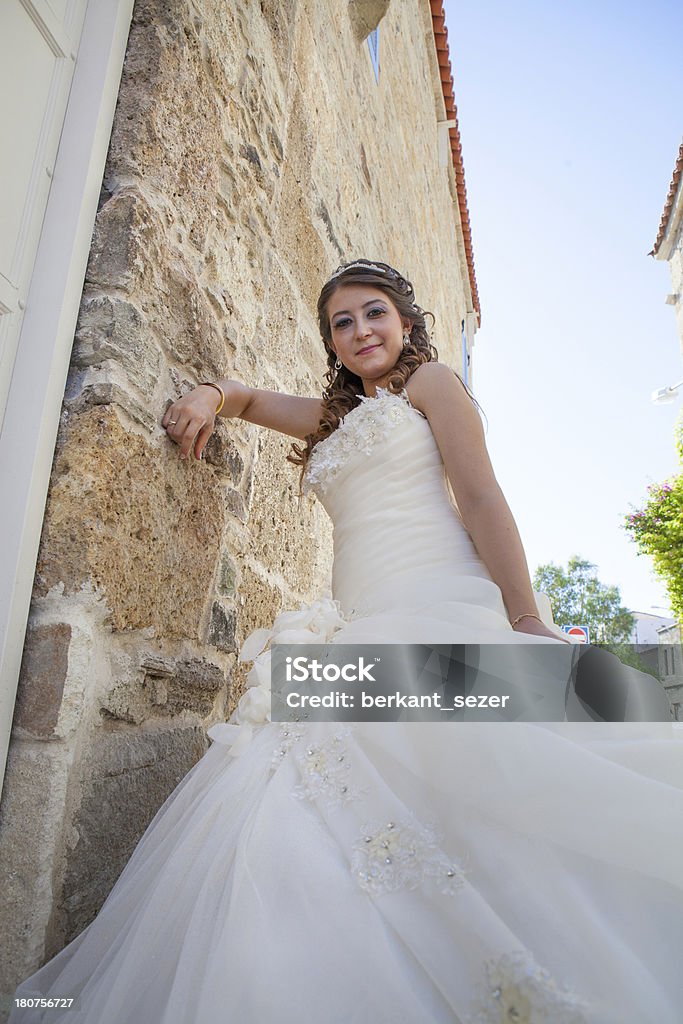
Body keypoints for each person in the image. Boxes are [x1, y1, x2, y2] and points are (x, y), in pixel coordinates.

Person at [9, 260, 683, 1023]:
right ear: (331, 342)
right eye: (341, 322)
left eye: (373, 314)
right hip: (357, 624)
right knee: (287, 796)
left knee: (480, 782)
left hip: (438, 604)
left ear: (403, 321)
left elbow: (481, 493)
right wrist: (210, 394)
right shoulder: (332, 418)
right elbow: (253, 399)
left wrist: (524, 619)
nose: (360, 330)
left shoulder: (432, 386)